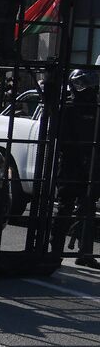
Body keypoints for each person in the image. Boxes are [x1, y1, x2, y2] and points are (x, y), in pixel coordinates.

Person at [52, 67, 100, 267]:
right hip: (72, 165)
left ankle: (85, 253)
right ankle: (55, 251)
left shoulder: (96, 108)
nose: (89, 89)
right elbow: (61, 139)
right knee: (65, 208)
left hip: (91, 165)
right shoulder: (69, 108)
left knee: (88, 210)